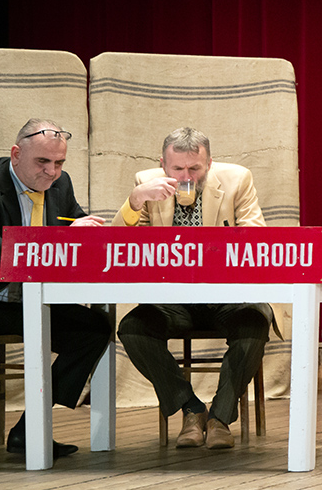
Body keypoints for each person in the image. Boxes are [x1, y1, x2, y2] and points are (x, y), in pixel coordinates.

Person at [0, 119, 112, 470]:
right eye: (43, 162)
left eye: (59, 163)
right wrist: (62, 237)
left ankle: (28, 429)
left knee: (95, 328)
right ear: (16, 154)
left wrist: (85, 234)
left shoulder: (60, 184)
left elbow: (74, 227)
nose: (52, 172)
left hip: (29, 298)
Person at [115, 127, 272, 450]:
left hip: (226, 297)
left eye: (195, 168)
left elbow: (256, 237)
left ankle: (220, 418)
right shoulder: (145, 182)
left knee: (255, 321)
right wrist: (135, 200)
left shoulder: (237, 180)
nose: (186, 176)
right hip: (173, 300)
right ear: (163, 165)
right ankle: (191, 409)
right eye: (177, 169)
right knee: (133, 328)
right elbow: (120, 244)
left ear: (209, 163)